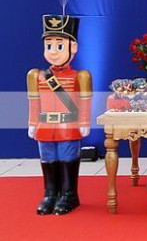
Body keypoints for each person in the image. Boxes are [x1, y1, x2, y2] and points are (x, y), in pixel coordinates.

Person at [27, 15, 92, 215]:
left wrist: (84, 122)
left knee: (67, 157)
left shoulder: (80, 76)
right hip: (45, 127)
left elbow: (84, 101)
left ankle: (69, 195)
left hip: (68, 127)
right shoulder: (36, 76)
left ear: (74, 47)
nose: (53, 52)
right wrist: (32, 123)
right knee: (48, 159)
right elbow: (35, 102)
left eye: (60, 46)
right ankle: (50, 194)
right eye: (49, 46)